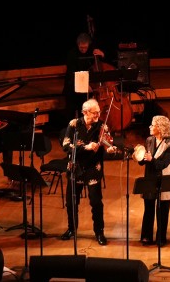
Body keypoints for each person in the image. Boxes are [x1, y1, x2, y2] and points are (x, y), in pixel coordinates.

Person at [59, 98, 118, 245]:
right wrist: (86, 147)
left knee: (96, 202)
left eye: (98, 112)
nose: (98, 115)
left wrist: (109, 148)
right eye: (94, 113)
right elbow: (66, 146)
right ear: (85, 112)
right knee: (71, 202)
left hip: (93, 167)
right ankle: (72, 229)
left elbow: (106, 143)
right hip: (76, 166)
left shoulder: (101, 126)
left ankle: (99, 232)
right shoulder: (73, 124)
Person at [134, 115, 170, 246]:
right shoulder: (149, 140)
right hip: (150, 177)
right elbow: (144, 161)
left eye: (153, 125)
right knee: (148, 207)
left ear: (160, 128)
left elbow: (163, 164)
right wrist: (139, 157)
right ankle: (146, 236)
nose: (150, 127)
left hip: (164, 177)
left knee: (162, 209)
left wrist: (150, 159)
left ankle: (161, 238)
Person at [63, 32, 106, 124]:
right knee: (72, 109)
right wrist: (84, 85)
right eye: (81, 48)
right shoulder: (72, 54)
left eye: (85, 47)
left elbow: (100, 66)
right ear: (78, 45)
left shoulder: (92, 52)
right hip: (73, 87)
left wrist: (102, 55)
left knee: (87, 108)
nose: (83, 50)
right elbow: (73, 73)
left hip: (89, 87)